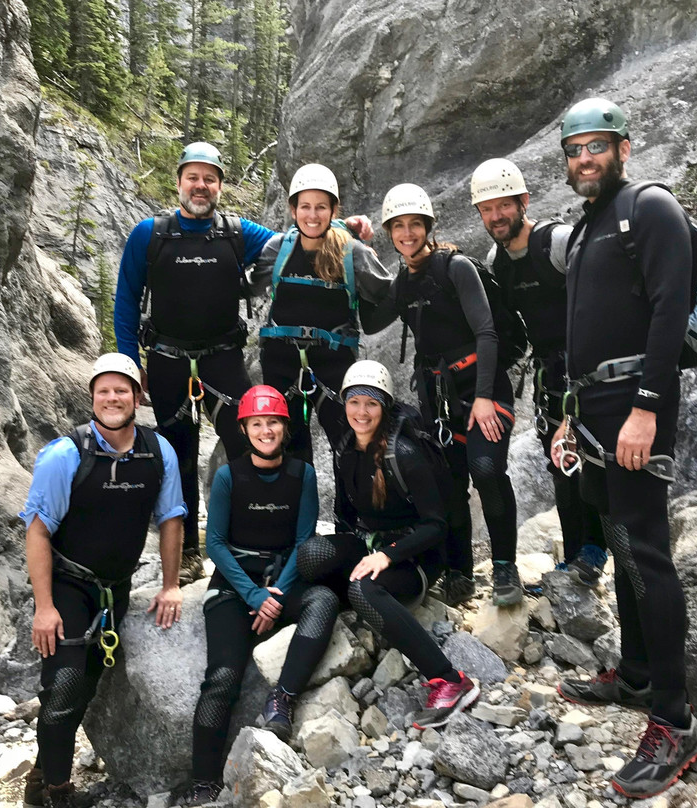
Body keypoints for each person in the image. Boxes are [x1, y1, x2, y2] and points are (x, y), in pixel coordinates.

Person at [113, 143, 372, 585]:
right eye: (193, 177)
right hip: (167, 361)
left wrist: (343, 224)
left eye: (209, 178)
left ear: (219, 186)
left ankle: (254, 544)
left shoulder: (237, 233)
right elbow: (125, 299)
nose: (201, 186)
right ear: (178, 182)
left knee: (251, 450)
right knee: (178, 458)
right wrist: (127, 364)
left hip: (223, 361)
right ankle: (189, 553)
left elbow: (296, 238)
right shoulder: (149, 234)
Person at [549, 97, 697, 798]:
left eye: (597, 146)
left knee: (645, 549)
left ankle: (675, 722)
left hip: (635, 405)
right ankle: (639, 674)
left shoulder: (649, 208)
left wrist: (646, 408)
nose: (585, 158)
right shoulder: (588, 226)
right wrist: (567, 414)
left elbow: (671, 308)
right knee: (617, 539)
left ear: (624, 146)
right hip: (593, 407)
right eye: (575, 149)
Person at [20, 353, 186, 808]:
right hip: (68, 585)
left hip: (116, 588)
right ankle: (56, 791)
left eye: (122, 390)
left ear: (137, 397)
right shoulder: (65, 454)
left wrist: (171, 584)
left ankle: (39, 776)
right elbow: (37, 529)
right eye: (104, 391)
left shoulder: (157, 451)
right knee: (66, 685)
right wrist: (44, 607)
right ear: (93, 397)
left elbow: (171, 518)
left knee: (86, 686)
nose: (113, 398)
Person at [297, 360, 480, 730]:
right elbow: (346, 515)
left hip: (417, 557)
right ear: (344, 404)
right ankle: (367, 598)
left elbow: (436, 526)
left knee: (363, 589)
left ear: (385, 407)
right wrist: (351, 552)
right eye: (354, 402)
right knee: (310, 557)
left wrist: (388, 555)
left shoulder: (406, 455)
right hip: (372, 545)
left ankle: (448, 679)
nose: (361, 412)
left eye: (371, 404)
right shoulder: (346, 448)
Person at [180, 385, 338, 806]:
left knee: (323, 601)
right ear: (245, 428)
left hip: (282, 578)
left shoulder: (303, 474)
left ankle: (281, 699)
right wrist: (254, 596)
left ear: (284, 428)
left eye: (273, 422)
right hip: (236, 585)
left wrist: (278, 595)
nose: (265, 430)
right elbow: (214, 544)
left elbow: (305, 539)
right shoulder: (229, 476)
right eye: (257, 423)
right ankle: (203, 782)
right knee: (222, 679)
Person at [372, 184, 523, 607]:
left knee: (486, 469)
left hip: (484, 391)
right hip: (437, 401)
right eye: (398, 226)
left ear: (427, 227)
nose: (407, 233)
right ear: (390, 232)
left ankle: (505, 566)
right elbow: (368, 322)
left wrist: (484, 396)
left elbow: (486, 331)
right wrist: (352, 244)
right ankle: (459, 570)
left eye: (414, 224)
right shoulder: (402, 282)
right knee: (451, 485)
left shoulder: (454, 268)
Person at [471, 158, 608, 585]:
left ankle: (596, 549)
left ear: (523, 202)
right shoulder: (498, 260)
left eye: (504, 206)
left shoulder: (558, 242)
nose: (496, 216)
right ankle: (575, 553)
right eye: (487, 209)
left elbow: (606, 296)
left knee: (594, 458)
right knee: (560, 458)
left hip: (590, 367)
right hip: (551, 371)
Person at [251, 163, 395, 462]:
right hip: (281, 364)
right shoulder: (279, 248)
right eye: (305, 206)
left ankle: (349, 510)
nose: (312, 215)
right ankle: (297, 509)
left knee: (347, 447)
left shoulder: (353, 253)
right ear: (293, 210)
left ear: (333, 210)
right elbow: (245, 286)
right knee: (288, 451)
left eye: (320, 207)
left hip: (334, 365)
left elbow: (390, 294)